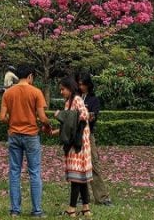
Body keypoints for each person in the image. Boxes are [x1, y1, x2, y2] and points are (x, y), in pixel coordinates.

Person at [0, 64, 51, 218]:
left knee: (14, 172)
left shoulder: (8, 93)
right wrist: (47, 125)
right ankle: (36, 210)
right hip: (31, 135)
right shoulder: (36, 92)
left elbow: (2, 117)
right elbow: (42, 117)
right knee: (34, 172)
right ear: (30, 76)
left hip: (14, 135)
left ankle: (15, 210)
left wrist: (12, 121)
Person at [51, 76, 95, 216]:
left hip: (79, 144)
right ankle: (86, 208)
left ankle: (71, 208)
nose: (61, 92)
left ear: (70, 88)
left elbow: (84, 116)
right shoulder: (68, 102)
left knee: (76, 176)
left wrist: (61, 115)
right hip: (75, 143)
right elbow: (68, 126)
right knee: (81, 177)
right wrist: (55, 131)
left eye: (63, 89)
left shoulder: (77, 100)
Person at [76, 73, 112, 206]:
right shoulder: (76, 98)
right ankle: (81, 196)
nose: (81, 86)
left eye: (83, 84)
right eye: (79, 84)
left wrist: (86, 115)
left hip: (88, 135)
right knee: (79, 166)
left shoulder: (93, 100)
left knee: (94, 165)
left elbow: (93, 117)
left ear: (88, 85)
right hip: (77, 135)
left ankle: (102, 197)